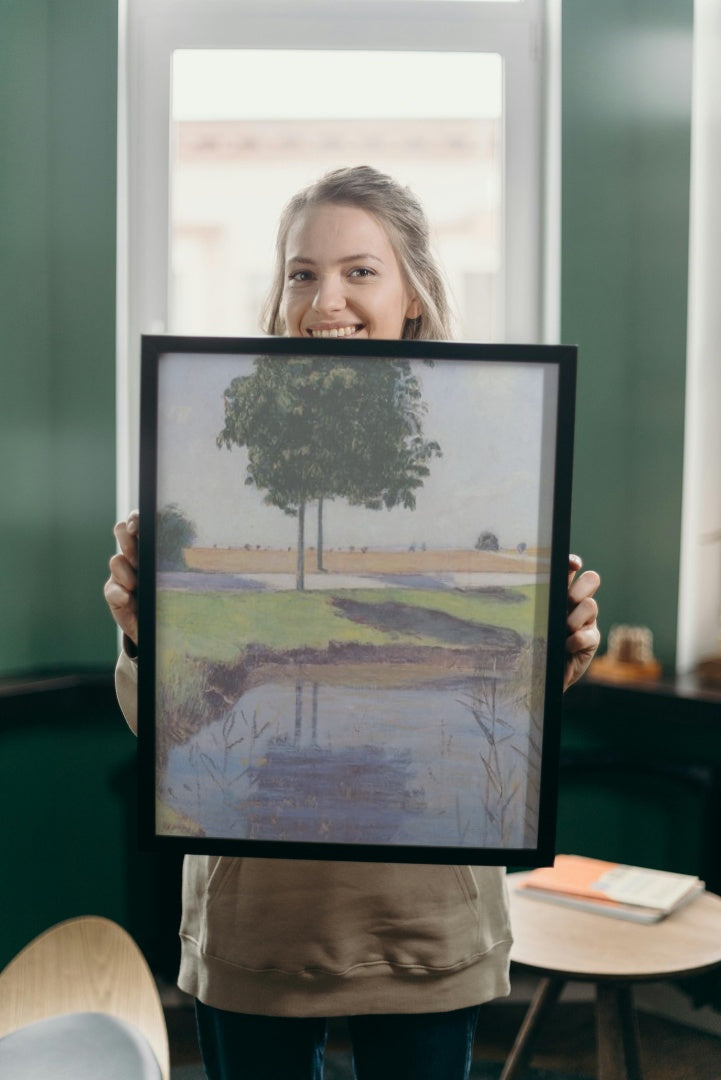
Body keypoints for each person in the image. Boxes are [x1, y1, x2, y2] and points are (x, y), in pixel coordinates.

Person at [105, 166, 601, 1080]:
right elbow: (169, 730)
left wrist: (557, 651)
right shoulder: (205, 442)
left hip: (425, 925)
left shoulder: (496, 446)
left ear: (412, 293)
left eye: (359, 271)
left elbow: (513, 720)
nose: (324, 298)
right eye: (301, 272)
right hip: (256, 927)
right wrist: (145, 637)